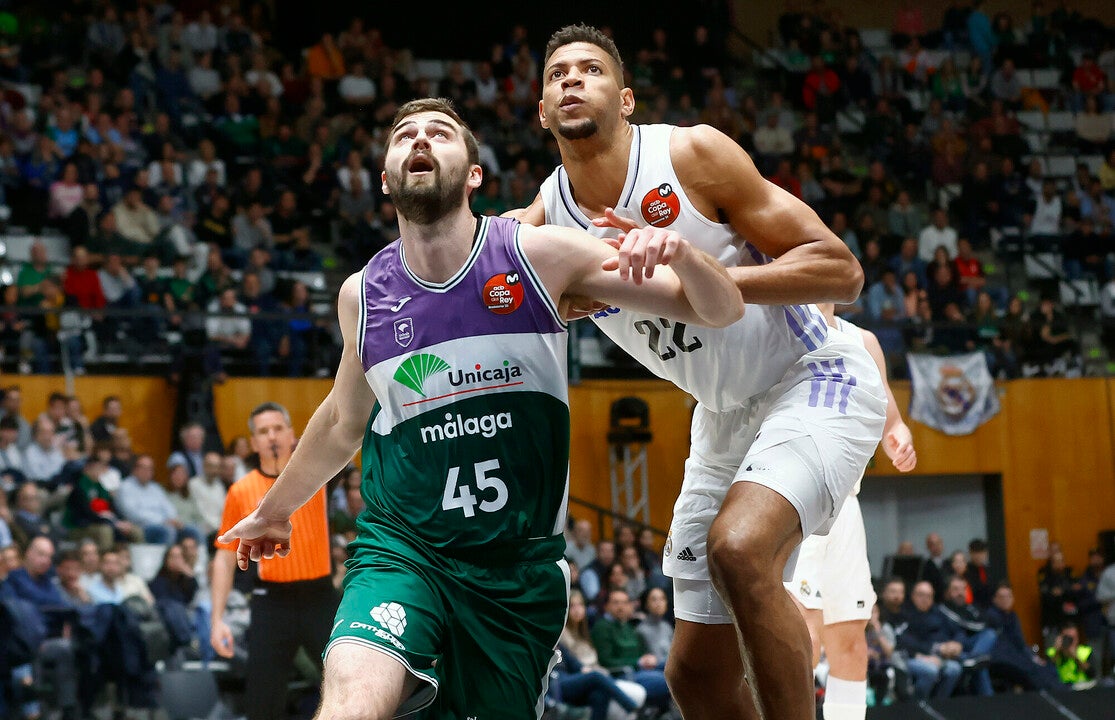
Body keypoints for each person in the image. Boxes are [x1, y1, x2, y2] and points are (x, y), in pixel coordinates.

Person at [217, 97, 742, 720]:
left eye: (439, 133)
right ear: (385, 178)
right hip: (404, 547)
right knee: (354, 699)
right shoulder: (363, 294)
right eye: (403, 135)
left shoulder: (541, 254)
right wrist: (275, 512)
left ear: (473, 174)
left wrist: (682, 252)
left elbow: (719, 309)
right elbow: (341, 419)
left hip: (514, 570)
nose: (419, 141)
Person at [518, 25, 887, 719]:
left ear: (623, 99)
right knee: (695, 678)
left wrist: (701, 279)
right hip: (720, 418)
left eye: (590, 70)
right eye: (557, 73)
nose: (571, 80)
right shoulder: (545, 222)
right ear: (540, 110)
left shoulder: (689, 154)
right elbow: (468, 269)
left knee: (740, 548)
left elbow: (842, 270)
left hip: (811, 374)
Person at [784, 304, 917, 720]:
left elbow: (891, 421)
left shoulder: (864, 341)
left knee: (852, 644)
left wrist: (898, 437)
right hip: (796, 495)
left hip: (845, 506)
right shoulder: (780, 326)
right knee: (802, 637)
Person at [210, 402, 336, 720]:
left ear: (293, 434)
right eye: (263, 431)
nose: (272, 436)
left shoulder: (316, 474)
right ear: (253, 443)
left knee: (349, 683)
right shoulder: (241, 490)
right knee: (262, 704)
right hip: (271, 603)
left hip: (319, 598)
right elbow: (224, 558)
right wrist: (216, 620)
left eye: (278, 428)